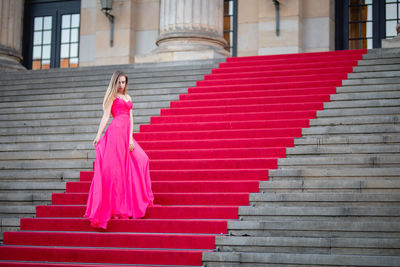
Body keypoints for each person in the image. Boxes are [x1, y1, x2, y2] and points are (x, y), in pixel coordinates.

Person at [84, 70, 155, 230]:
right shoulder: (112, 98)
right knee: (116, 171)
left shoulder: (128, 97)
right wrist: (98, 135)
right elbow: (105, 117)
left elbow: (131, 118)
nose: (122, 85)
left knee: (142, 159)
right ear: (115, 82)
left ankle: (134, 200)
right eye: (119, 82)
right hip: (115, 134)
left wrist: (130, 138)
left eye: (124, 82)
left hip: (126, 136)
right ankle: (117, 207)